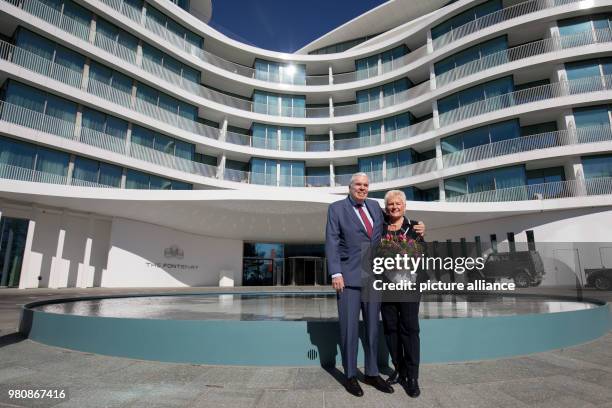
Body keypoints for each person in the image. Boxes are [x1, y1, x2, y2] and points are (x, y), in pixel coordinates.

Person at [325, 173, 425, 397]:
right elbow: (331, 241)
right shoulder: (336, 209)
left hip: (373, 278)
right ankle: (350, 375)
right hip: (348, 278)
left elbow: (395, 219)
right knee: (350, 329)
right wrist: (335, 272)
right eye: (358, 185)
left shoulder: (374, 206)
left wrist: (419, 226)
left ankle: (371, 372)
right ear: (350, 188)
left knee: (372, 328)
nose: (362, 188)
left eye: (366, 185)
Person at [380, 189, 423, 398]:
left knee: (409, 329)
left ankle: (412, 376)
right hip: (386, 287)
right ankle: (399, 369)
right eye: (390, 204)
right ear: (386, 208)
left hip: (409, 286)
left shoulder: (415, 227)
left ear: (404, 206)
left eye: (398, 204)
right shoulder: (379, 228)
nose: (394, 207)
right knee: (390, 328)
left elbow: (422, 253)